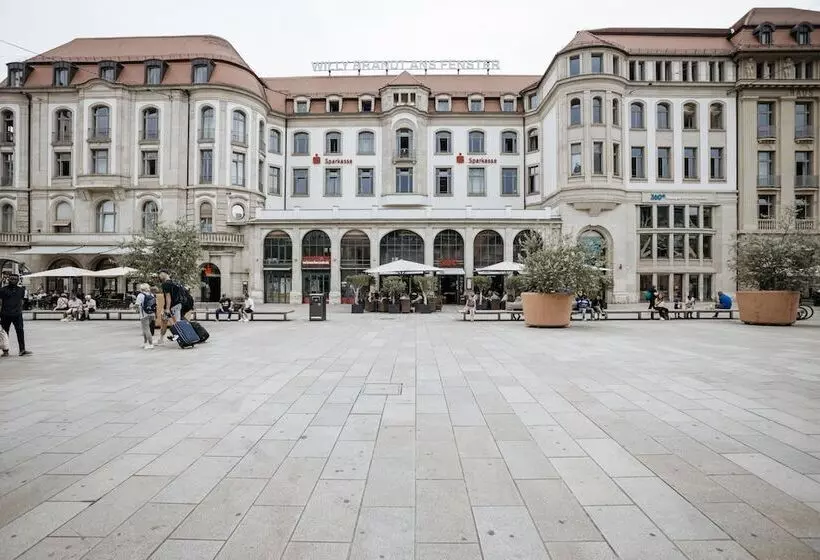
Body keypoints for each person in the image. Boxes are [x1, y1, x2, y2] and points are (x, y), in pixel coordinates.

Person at [0, 274, 31, 356]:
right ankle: (5, 350)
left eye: (15, 279)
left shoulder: (21, 290)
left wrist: (19, 309)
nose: (13, 280)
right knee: (5, 333)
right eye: (11, 279)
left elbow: (22, 301)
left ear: (18, 280)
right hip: (5, 314)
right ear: (8, 280)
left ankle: (22, 349)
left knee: (20, 331)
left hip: (17, 314)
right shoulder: (3, 290)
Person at [134, 283, 156, 349]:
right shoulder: (151, 294)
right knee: (145, 329)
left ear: (141, 289)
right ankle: (145, 342)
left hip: (144, 314)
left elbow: (137, 305)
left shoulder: (140, 295)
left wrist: (134, 306)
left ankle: (150, 344)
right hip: (152, 314)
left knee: (146, 329)